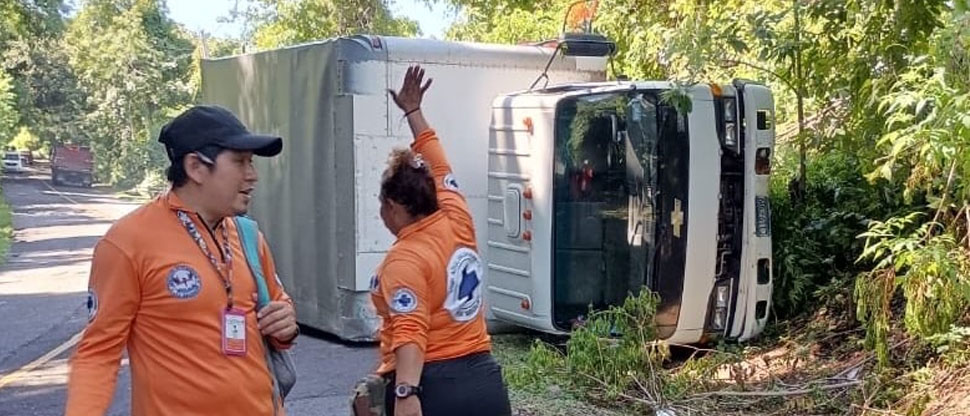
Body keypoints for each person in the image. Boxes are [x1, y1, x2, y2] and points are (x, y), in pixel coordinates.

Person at [65, 105, 299, 416]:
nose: (252, 175)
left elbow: (280, 310)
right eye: (240, 162)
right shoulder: (128, 242)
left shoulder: (249, 236)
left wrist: (285, 324)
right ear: (196, 167)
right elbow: (97, 354)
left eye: (252, 163)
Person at [368, 65, 512, 416]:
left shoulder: (405, 259)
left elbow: (410, 331)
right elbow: (436, 159)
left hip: (434, 389)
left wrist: (406, 393)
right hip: (485, 383)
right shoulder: (455, 214)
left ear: (391, 206)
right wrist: (413, 111)